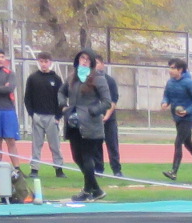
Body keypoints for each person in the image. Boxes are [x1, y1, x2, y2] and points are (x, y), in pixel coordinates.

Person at [62, 47, 112, 202]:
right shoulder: (72, 77)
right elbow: (61, 92)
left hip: (90, 124)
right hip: (73, 123)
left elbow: (107, 102)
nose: (83, 61)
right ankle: (96, 190)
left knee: (87, 156)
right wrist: (63, 106)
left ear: (91, 63)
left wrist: (92, 111)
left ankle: (87, 191)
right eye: (82, 58)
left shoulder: (98, 78)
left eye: (87, 59)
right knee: (77, 157)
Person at [161, 57, 192, 182]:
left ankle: (173, 172)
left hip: (188, 118)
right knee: (188, 143)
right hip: (177, 117)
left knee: (178, 142)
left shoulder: (189, 83)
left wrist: (187, 111)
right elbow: (167, 95)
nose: (170, 70)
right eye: (169, 67)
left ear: (180, 70)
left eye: (173, 68)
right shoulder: (170, 82)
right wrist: (165, 102)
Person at [23, 50, 66, 177]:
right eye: (41, 61)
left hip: (52, 117)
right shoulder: (32, 78)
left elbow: (61, 99)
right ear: (38, 62)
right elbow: (27, 98)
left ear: (50, 62)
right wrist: (32, 114)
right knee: (36, 145)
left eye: (46, 61)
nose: (43, 64)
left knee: (55, 145)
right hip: (37, 116)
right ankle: (34, 169)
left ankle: (59, 169)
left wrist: (58, 117)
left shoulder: (56, 79)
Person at [96, 55, 121, 176]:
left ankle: (116, 170)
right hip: (95, 119)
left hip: (109, 119)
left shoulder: (109, 81)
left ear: (102, 64)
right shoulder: (89, 81)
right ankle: (99, 170)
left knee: (112, 145)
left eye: (97, 63)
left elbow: (113, 100)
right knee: (96, 145)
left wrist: (106, 116)